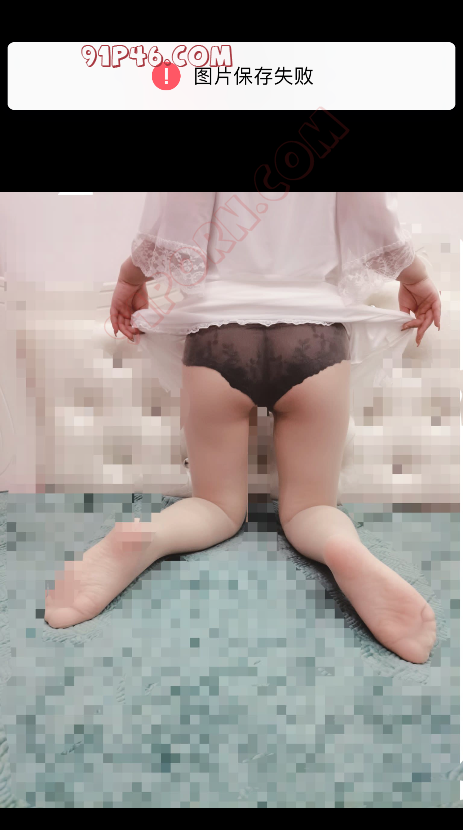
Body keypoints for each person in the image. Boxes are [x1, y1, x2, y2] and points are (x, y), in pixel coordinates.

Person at [45, 192, 440, 664]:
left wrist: (131, 277)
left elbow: (175, 210)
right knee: (310, 508)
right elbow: (372, 211)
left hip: (218, 333)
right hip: (313, 332)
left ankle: (145, 537)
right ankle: (341, 549)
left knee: (214, 506)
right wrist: (416, 279)